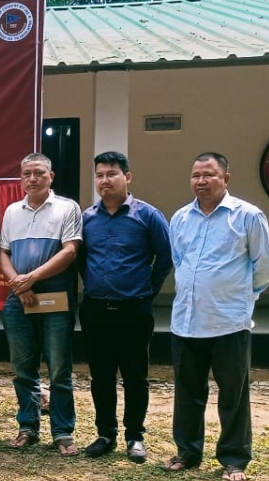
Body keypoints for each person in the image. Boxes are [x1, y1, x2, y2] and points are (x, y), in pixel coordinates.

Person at [163, 152, 269, 481]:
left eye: (209, 175)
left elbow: (265, 265)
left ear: (225, 179)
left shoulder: (247, 216)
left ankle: (234, 457)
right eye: (195, 175)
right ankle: (187, 451)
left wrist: (242, 297)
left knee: (233, 395)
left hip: (229, 322)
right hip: (187, 321)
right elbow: (179, 260)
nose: (201, 181)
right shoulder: (181, 218)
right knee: (188, 393)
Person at [78, 151, 173, 463]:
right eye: (100, 175)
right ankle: (105, 434)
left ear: (127, 177)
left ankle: (135, 436)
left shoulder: (148, 216)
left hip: (134, 310)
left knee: (135, 376)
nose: (105, 180)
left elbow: (165, 258)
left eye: (112, 174)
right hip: (95, 310)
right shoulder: (87, 218)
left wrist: (146, 291)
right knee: (101, 376)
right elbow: (80, 260)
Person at [0, 153, 83, 456]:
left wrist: (31, 278)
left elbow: (70, 251)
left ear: (51, 176)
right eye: (26, 174)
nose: (32, 179)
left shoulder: (67, 208)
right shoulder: (12, 211)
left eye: (38, 173)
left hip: (54, 298)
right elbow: (3, 253)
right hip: (19, 298)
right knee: (23, 369)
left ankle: (62, 432)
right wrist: (18, 284)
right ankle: (28, 427)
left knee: (59, 369)